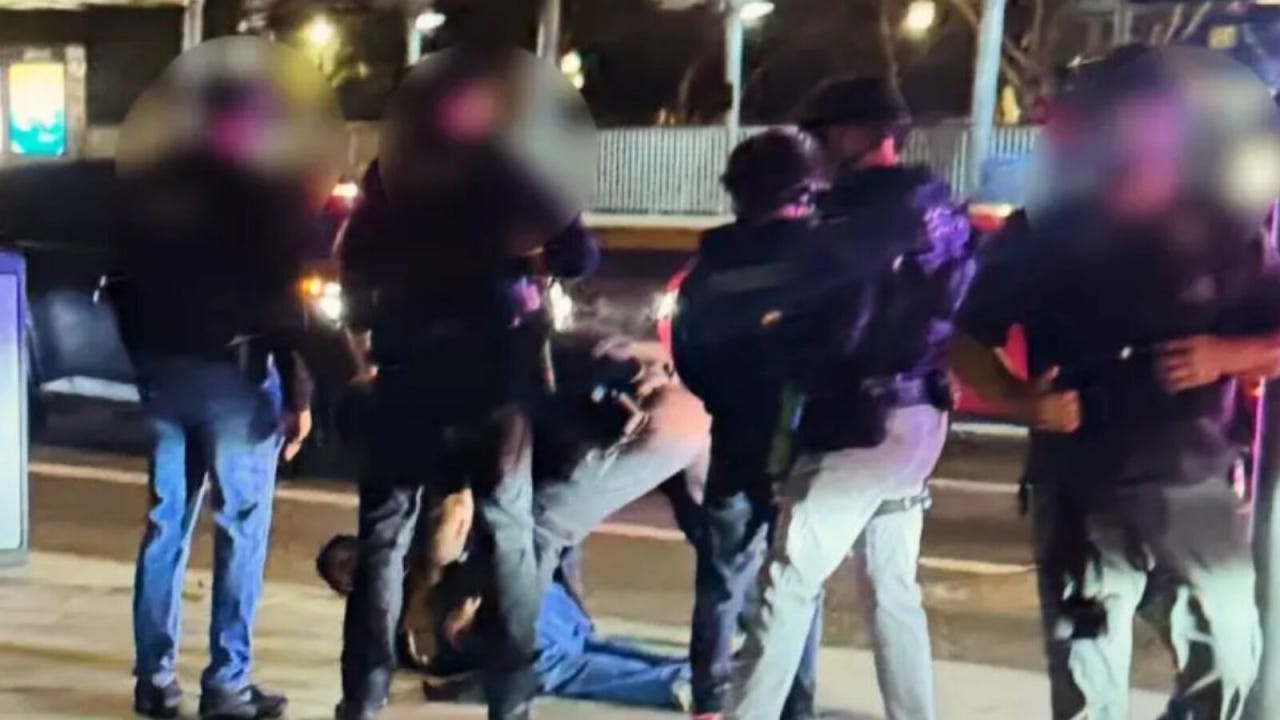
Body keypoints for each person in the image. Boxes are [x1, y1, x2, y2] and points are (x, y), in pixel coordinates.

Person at [948, 47, 1280, 720]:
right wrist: (1021, 399)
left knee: (1229, 660)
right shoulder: (1042, 230)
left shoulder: (1225, 229)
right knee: (1087, 680)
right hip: (1081, 487)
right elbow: (965, 337)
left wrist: (1224, 354)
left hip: (1194, 485)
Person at [333, 51, 598, 720]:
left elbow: (354, 272)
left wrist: (369, 339)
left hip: (407, 378)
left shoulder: (390, 178)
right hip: (494, 382)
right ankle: (511, 702)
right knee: (509, 538)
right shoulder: (512, 170)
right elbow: (578, 255)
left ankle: (362, 699)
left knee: (384, 541)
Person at [725, 77, 974, 720]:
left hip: (863, 418)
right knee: (892, 590)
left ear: (862, 134)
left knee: (787, 583)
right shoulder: (937, 207)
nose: (818, 150)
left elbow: (838, 320)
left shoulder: (861, 218)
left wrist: (782, 340)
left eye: (825, 134)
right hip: (919, 411)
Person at [112, 79, 317, 720]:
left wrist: (147, 364)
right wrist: (299, 391)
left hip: (167, 377)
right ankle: (226, 683)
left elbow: (120, 284)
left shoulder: (156, 194)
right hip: (235, 378)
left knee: (165, 528)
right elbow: (283, 303)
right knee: (240, 531)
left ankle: (154, 680)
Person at [672, 128, 831, 720]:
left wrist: (723, 399)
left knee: (721, 578)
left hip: (734, 434)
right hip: (799, 439)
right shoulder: (819, 260)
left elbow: (687, 351)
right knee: (797, 584)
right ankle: (796, 703)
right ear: (803, 191)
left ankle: (709, 700)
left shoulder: (711, 263)